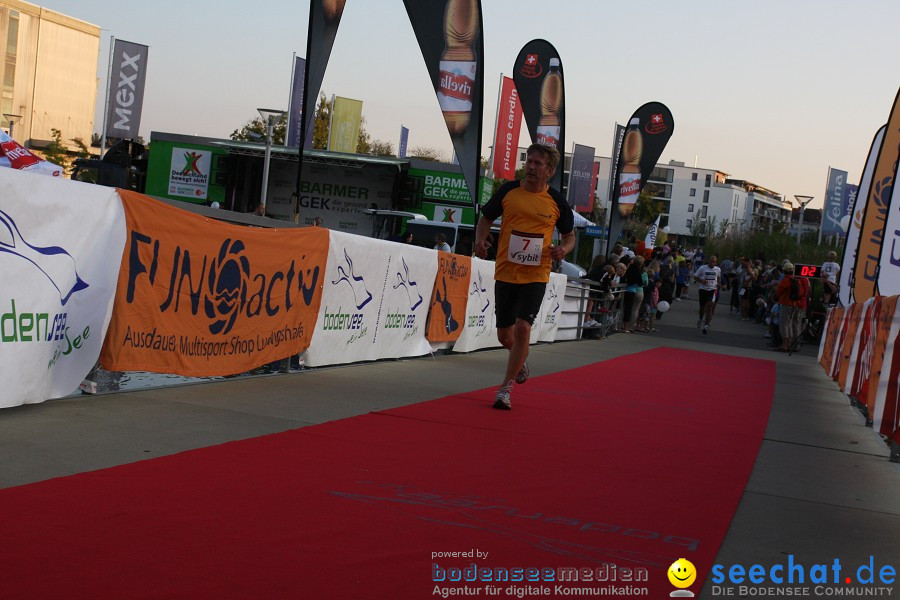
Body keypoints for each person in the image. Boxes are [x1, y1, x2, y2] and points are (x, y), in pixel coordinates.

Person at [474, 143, 575, 410]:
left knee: (523, 328)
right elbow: (485, 218)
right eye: (529, 161)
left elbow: (569, 236)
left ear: (549, 171)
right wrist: (480, 241)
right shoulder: (508, 191)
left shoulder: (557, 202)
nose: (531, 167)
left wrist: (563, 249)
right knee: (505, 337)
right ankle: (519, 361)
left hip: (537, 274)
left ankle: (505, 389)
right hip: (506, 271)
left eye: (537, 164)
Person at [775, 262, 809, 352]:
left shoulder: (786, 280)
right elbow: (802, 293)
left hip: (786, 303)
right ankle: (790, 343)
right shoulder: (797, 280)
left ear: (784, 270)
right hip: (796, 304)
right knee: (790, 324)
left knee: (784, 324)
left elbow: (778, 291)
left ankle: (785, 345)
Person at [694, 255, 722, 335]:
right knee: (702, 307)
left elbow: (719, 277)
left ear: (716, 263)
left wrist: (719, 283)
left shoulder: (718, 269)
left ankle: (706, 325)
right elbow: (695, 277)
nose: (713, 264)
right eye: (711, 262)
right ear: (708, 261)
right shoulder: (702, 268)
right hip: (703, 289)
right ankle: (700, 318)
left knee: (709, 307)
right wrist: (702, 281)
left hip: (712, 290)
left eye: (714, 262)